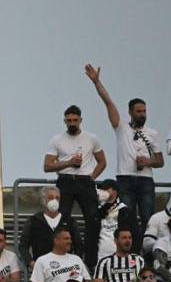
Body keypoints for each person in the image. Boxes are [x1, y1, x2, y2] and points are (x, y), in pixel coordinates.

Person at [85, 63, 163, 233]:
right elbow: (108, 103)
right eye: (139, 111)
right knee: (126, 216)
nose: (143, 114)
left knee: (148, 217)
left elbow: (160, 161)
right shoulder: (121, 127)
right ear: (130, 112)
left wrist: (148, 161)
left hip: (145, 180)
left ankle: (146, 251)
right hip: (125, 178)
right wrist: (97, 82)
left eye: (144, 111)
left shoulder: (153, 133)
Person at [44, 103, 107, 267]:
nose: (72, 123)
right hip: (65, 180)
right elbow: (47, 166)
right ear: (64, 121)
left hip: (85, 181)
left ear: (81, 120)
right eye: (69, 120)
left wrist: (92, 177)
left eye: (75, 120)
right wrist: (68, 163)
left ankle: (91, 262)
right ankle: (66, 258)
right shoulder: (57, 139)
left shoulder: (91, 138)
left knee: (93, 221)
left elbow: (102, 162)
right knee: (62, 221)